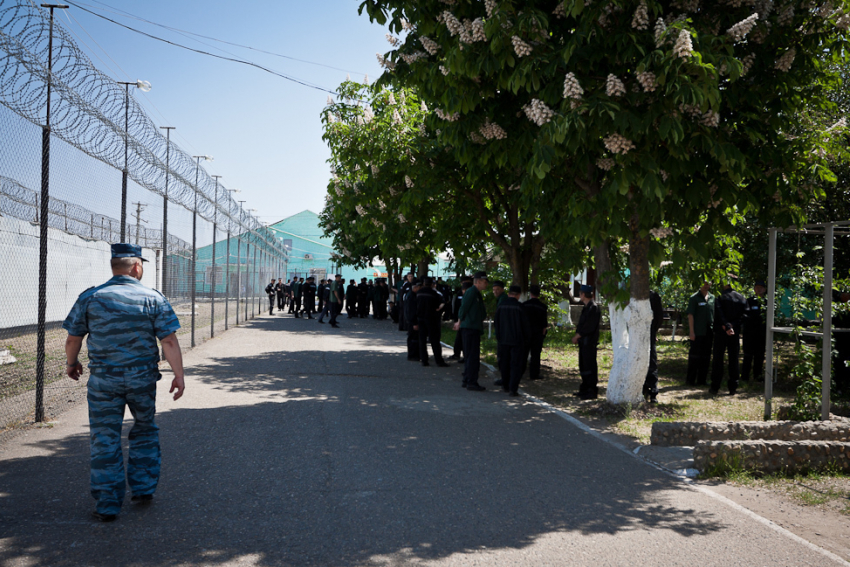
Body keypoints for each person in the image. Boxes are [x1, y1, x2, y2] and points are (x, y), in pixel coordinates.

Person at [62, 243, 185, 522]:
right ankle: (143, 489)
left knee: (104, 437)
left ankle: (107, 503)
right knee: (144, 429)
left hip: (104, 380)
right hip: (142, 378)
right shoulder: (153, 298)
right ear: (137, 267)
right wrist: (179, 375)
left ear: (114, 267)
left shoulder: (91, 297)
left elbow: (73, 338)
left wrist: (72, 364)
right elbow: (168, 340)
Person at [710, 278, 748, 396]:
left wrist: (726, 326)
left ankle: (715, 386)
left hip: (722, 331)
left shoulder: (719, 297)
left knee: (718, 359)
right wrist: (733, 325)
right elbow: (745, 315)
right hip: (734, 332)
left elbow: (718, 313)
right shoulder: (741, 298)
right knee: (733, 359)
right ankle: (733, 387)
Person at [495, 285, 531, 396]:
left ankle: (505, 385)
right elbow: (525, 326)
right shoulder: (520, 307)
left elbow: (497, 323)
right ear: (518, 295)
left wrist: (499, 337)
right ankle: (513, 389)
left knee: (504, 363)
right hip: (517, 341)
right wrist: (526, 340)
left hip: (503, 340)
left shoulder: (501, 306)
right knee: (516, 365)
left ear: (509, 293)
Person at [455, 271, 488, 391]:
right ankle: (471, 382)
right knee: (472, 356)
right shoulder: (471, 292)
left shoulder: (477, 293)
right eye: (485, 282)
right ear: (478, 282)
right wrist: (459, 321)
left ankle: (467, 379)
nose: (486, 284)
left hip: (473, 328)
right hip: (470, 328)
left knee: (470, 356)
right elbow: (463, 308)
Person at [572, 285, 601, 400]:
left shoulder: (593, 308)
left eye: (580, 293)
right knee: (583, 365)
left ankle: (591, 390)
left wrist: (578, 335)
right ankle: (584, 388)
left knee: (589, 366)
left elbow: (589, 327)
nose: (580, 296)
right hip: (583, 342)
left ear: (583, 294)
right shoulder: (586, 307)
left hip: (589, 342)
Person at [686, 281, 714, 386]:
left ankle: (702, 380)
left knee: (706, 356)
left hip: (709, 331)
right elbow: (690, 315)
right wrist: (692, 332)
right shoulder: (694, 298)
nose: (706, 286)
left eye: (708, 284)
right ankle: (690, 380)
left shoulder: (713, 298)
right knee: (694, 356)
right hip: (697, 331)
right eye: (704, 283)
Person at [417, 277, 449, 366]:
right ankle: (439, 360)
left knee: (422, 340)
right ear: (432, 284)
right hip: (432, 319)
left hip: (420, 318)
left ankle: (424, 360)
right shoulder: (434, 294)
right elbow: (439, 305)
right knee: (434, 341)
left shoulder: (419, 293)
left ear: (423, 284)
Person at [741, 281, 767, 383]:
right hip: (749, 333)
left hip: (762, 333)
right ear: (754, 289)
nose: (759, 289)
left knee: (759, 355)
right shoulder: (749, 301)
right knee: (747, 355)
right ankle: (745, 376)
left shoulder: (767, 302)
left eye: (761, 288)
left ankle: (758, 375)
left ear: (764, 289)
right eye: (757, 287)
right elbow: (744, 315)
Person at [522, 284, 548, 381]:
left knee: (524, 354)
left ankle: (521, 372)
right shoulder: (542, 307)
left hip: (526, 333)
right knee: (536, 355)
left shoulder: (524, 305)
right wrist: (542, 334)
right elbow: (544, 324)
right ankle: (534, 374)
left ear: (530, 293)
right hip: (537, 334)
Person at [642, 289, 665, 403]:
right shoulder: (634, 294)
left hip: (647, 331)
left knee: (651, 361)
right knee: (648, 360)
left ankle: (652, 390)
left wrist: (653, 331)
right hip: (644, 332)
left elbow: (659, 316)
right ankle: (646, 388)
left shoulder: (653, 296)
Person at [451, 278, 472, 360]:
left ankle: (465, 355)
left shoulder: (471, 294)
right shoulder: (459, 293)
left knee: (465, 339)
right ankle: (456, 353)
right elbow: (456, 306)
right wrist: (455, 319)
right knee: (459, 338)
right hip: (459, 318)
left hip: (466, 320)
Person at [405, 280, 422, 361]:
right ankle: (412, 355)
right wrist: (414, 323)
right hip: (413, 321)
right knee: (413, 339)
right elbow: (411, 311)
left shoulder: (413, 295)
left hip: (412, 320)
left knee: (415, 338)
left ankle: (416, 354)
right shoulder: (412, 296)